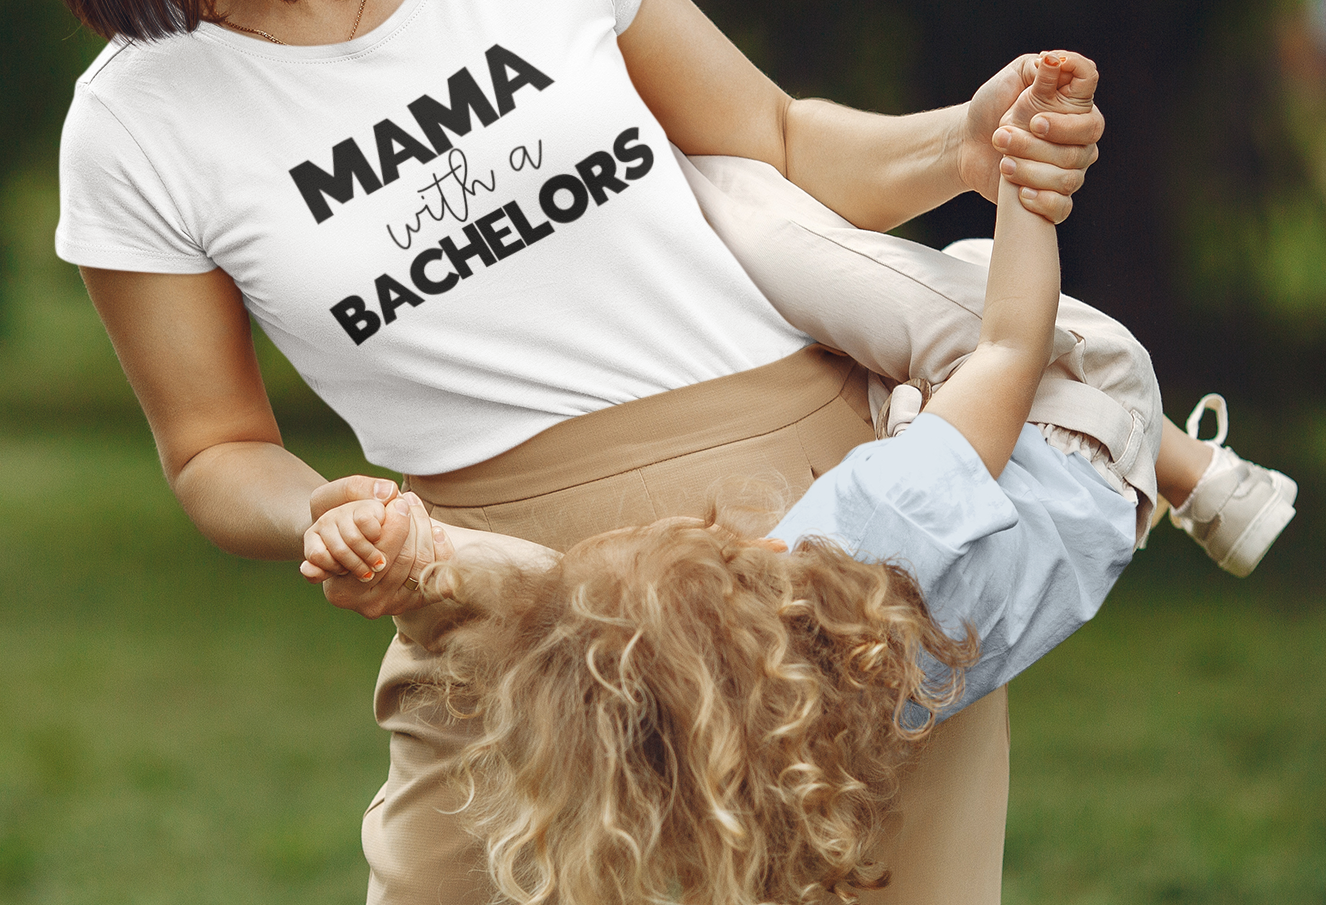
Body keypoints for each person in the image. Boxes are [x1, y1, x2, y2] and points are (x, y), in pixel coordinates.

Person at [18, 0, 1281, 905]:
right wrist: (336, 513)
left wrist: (962, 146)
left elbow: (779, 141)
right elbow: (213, 451)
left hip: (842, 571)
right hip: (517, 623)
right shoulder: (141, 121)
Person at [345, 55, 1284, 905]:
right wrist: (1026, 186)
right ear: (745, 561)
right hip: (1085, 424)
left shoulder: (769, 747)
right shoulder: (875, 534)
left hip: (1026, 535)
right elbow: (1009, 341)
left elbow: (536, 597)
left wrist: (417, 550)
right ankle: (1191, 469)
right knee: (752, 205)